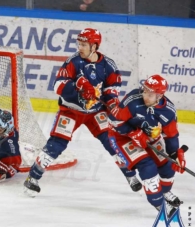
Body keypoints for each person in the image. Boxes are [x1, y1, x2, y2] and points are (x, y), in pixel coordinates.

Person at [23, 28, 141, 197]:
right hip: (71, 111)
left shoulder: (108, 66)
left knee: (112, 142)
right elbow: (58, 86)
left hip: (95, 112)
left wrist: (112, 104)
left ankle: (130, 175)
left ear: (95, 46)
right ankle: (32, 178)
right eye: (79, 44)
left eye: (84, 44)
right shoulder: (73, 62)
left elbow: (112, 89)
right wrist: (79, 90)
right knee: (57, 144)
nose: (80, 48)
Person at [107, 74, 185, 218]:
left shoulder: (168, 111)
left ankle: (165, 192)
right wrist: (134, 133)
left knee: (168, 163)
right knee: (147, 166)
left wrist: (175, 154)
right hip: (122, 137)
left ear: (160, 95)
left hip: (148, 138)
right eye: (144, 91)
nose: (145, 96)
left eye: (150, 94)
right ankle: (159, 204)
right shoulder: (133, 100)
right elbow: (114, 121)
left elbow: (171, 135)